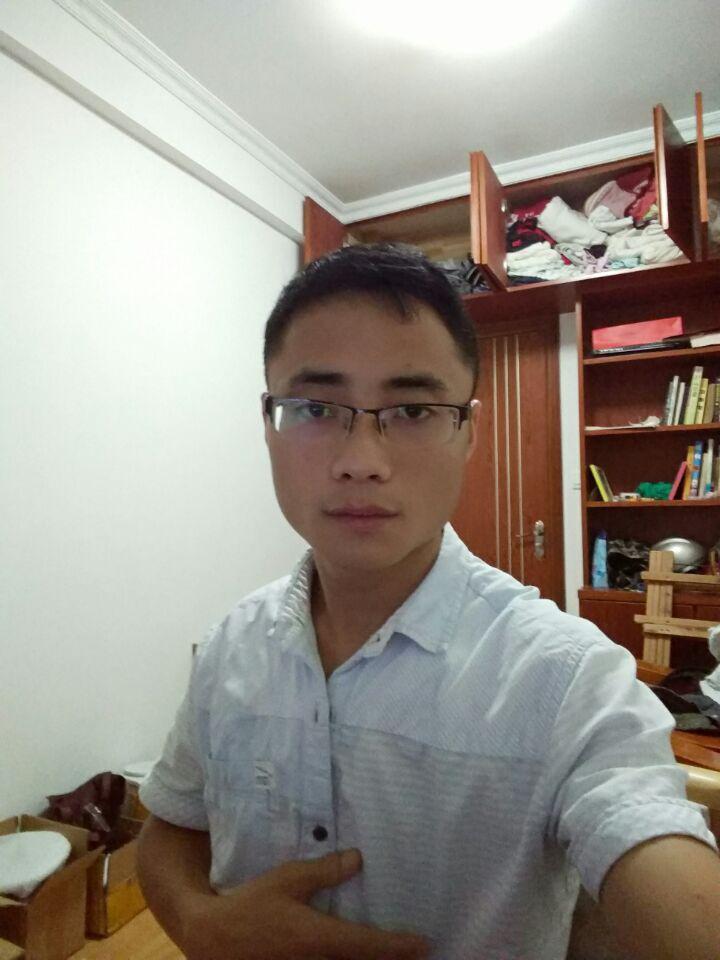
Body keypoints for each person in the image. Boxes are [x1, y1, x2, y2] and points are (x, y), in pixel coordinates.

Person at [137, 244, 720, 960]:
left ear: (468, 431)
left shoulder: (566, 678)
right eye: (315, 407)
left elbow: (644, 830)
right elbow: (171, 825)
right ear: (268, 423)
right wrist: (198, 923)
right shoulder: (231, 645)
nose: (362, 461)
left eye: (412, 409)